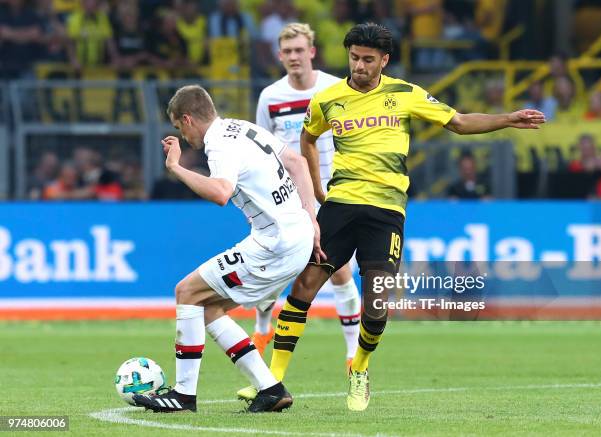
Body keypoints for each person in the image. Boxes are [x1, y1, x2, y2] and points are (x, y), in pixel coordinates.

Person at [264, 22, 546, 412]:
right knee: (304, 286)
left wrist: (508, 119)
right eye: (353, 58)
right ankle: (271, 380)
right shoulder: (327, 100)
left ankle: (359, 368)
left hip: (386, 211)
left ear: (384, 60)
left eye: (367, 59)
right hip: (341, 205)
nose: (359, 66)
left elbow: (459, 122)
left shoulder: (405, 94)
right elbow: (308, 139)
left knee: (378, 301)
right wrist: (316, 187)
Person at [131, 85, 319, 413]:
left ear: (187, 119)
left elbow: (220, 193)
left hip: (274, 245)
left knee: (186, 291)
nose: (184, 136)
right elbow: (298, 163)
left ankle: (183, 396)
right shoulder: (243, 128)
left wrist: (176, 168)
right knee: (205, 307)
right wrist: (312, 220)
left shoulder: (219, 146)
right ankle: (271, 389)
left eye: (179, 128)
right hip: (296, 234)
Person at [250, 23, 360, 375]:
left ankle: (351, 354)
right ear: (280, 56)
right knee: (271, 269)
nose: (294, 57)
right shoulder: (270, 97)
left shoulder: (333, 88)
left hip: (332, 192)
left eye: (300, 50)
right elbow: (264, 150)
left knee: (339, 269)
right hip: (287, 200)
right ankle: (262, 330)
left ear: (312, 52)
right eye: (288, 51)